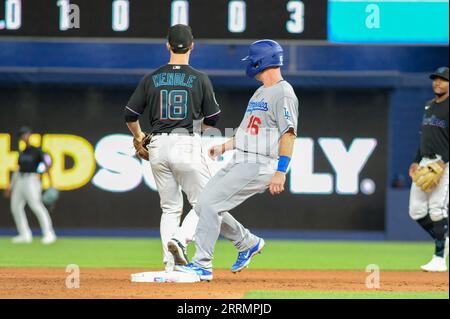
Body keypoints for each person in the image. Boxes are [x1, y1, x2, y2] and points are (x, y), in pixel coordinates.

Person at [124, 25, 262, 272]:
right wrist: (198, 132)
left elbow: (130, 115)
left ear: (167, 45)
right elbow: (214, 117)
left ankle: (170, 263)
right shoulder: (199, 78)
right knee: (206, 202)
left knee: (170, 208)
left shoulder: (151, 77)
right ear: (192, 46)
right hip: (185, 141)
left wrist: (139, 137)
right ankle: (181, 240)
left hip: (157, 145)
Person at [175, 40, 299, 281]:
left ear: (262, 60)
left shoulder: (284, 93)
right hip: (241, 157)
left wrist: (281, 171)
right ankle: (247, 243)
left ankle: (202, 265)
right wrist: (224, 146)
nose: (250, 64)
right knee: (203, 204)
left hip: (261, 162)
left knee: (211, 204)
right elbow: (246, 131)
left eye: (253, 59)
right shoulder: (261, 91)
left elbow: (289, 133)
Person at [409, 66, 449, 272]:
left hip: (444, 164)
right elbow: (424, 137)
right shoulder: (429, 106)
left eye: (443, 79)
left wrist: (444, 162)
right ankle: (444, 239)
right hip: (425, 162)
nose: (438, 82)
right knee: (416, 210)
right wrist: (416, 160)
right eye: (435, 79)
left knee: (436, 209)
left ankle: (440, 258)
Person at [4, 126, 57, 244]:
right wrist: (10, 186)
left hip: (32, 180)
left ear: (30, 135)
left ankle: (49, 234)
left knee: (36, 206)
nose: (24, 136)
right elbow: (18, 169)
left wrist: (51, 184)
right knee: (15, 207)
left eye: (26, 134)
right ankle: (25, 235)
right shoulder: (22, 153)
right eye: (22, 135)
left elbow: (47, 165)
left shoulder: (37, 150)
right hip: (20, 180)